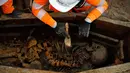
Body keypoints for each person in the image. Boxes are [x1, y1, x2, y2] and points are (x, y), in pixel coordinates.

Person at [32, 0, 108, 37]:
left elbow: (103, 5)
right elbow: (35, 9)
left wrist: (88, 20)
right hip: (57, 11)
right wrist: (54, 24)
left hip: (81, 9)